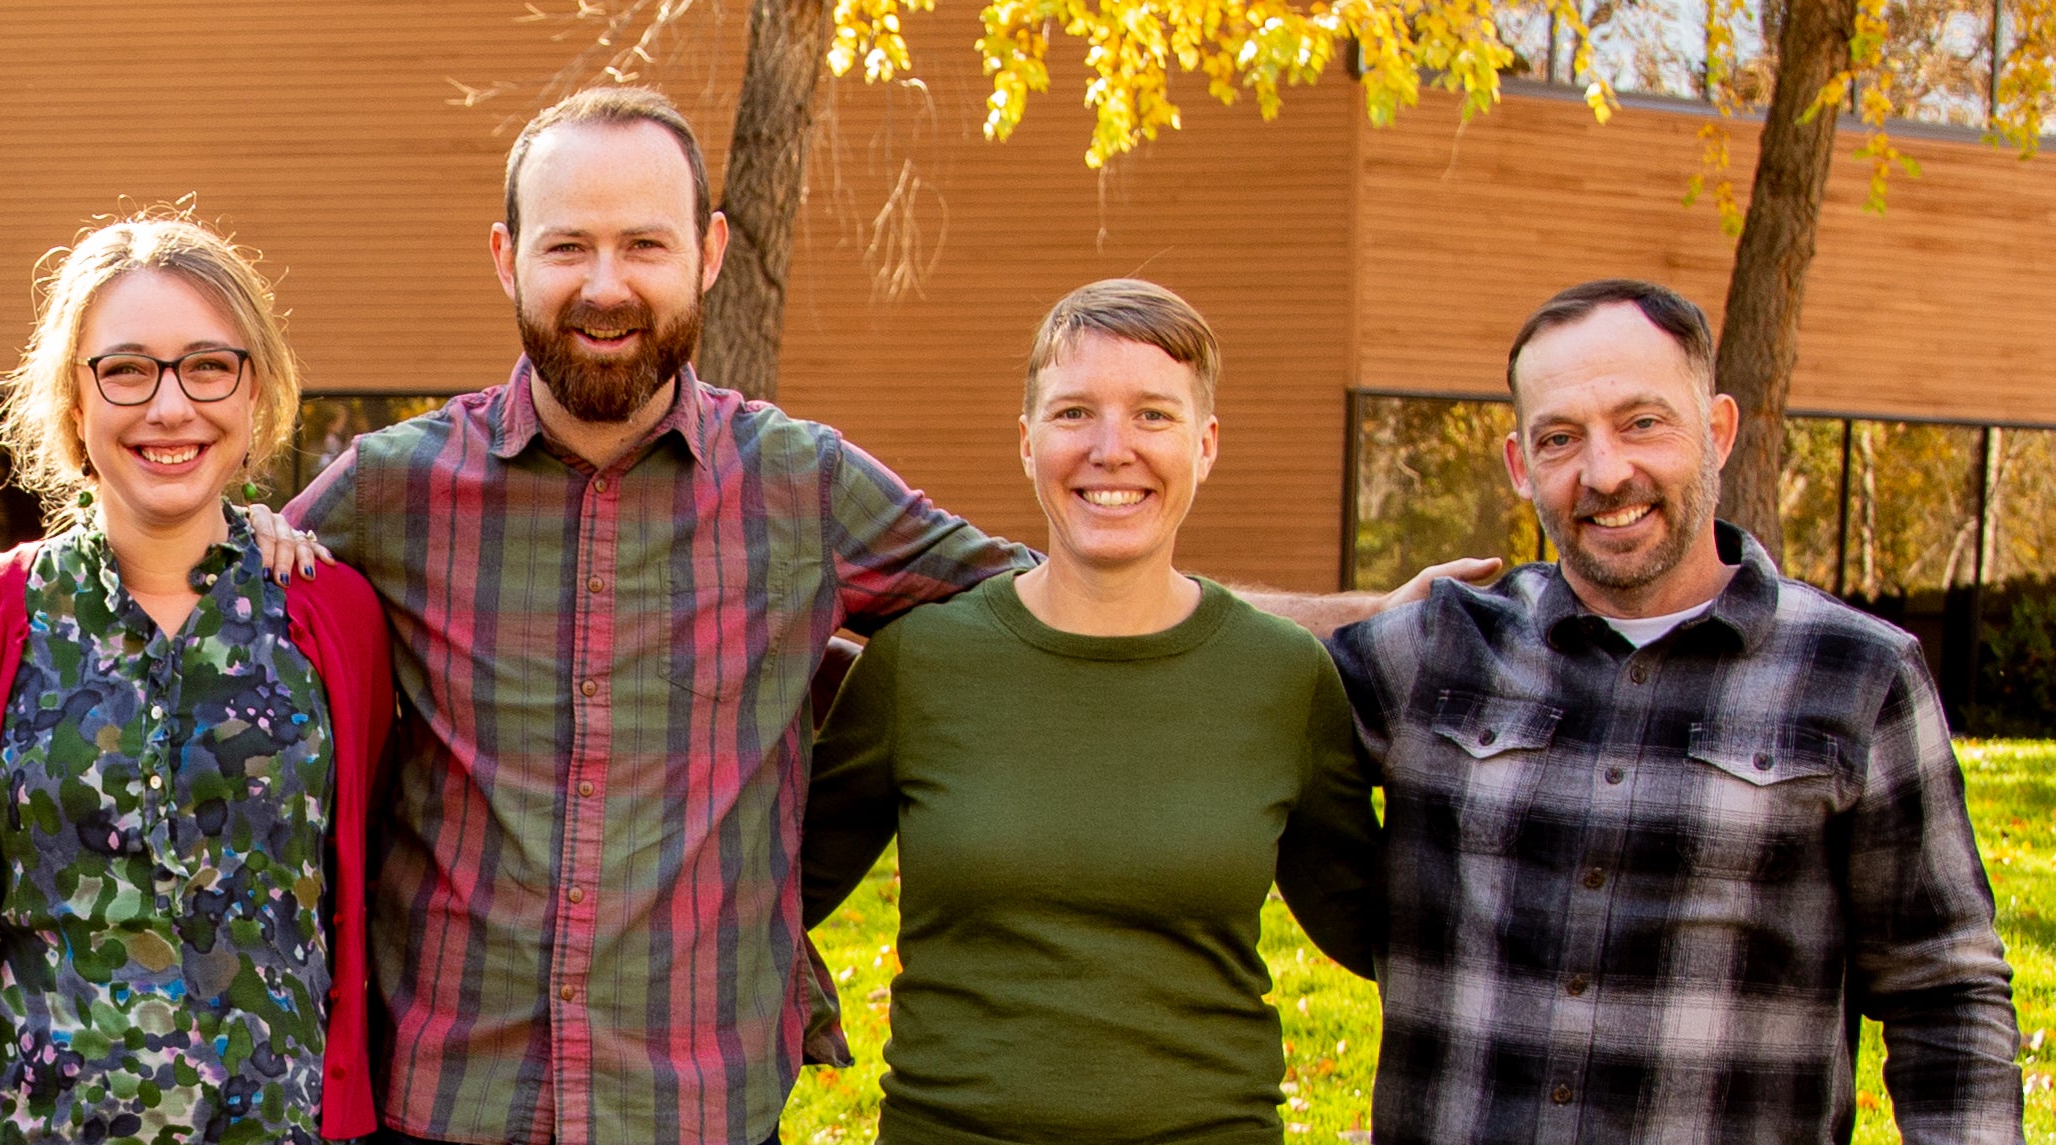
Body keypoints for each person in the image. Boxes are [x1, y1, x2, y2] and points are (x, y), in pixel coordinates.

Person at [280, 86, 1475, 1145]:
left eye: (644, 243)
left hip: (695, 1099)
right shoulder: (395, 487)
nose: (607, 285)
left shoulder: (799, 481)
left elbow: (1064, 584)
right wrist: (237, 538)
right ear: (506, 257)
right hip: (448, 1090)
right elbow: (220, 610)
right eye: (568, 246)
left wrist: (1362, 616)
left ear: (707, 253)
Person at [1331, 279, 2020, 1144]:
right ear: (1517, 465)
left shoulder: (1856, 673)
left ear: (1718, 430)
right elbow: (1203, 664)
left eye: (1641, 422)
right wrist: (1343, 611)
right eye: (1559, 438)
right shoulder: (1427, 651)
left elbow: (1943, 988)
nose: (1605, 470)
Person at [796, 279, 1383, 1144]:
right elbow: (763, 886)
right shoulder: (921, 664)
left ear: (1205, 443)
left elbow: (1385, 930)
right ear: (1027, 442)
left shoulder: (1282, 677)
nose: (1113, 449)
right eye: (1074, 414)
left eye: (1153, 415)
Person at [0, 217, 395, 1145]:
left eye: (207, 366)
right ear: (74, 397)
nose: (169, 407)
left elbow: (369, 874)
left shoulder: (332, 614)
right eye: (127, 369)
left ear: (253, 388)